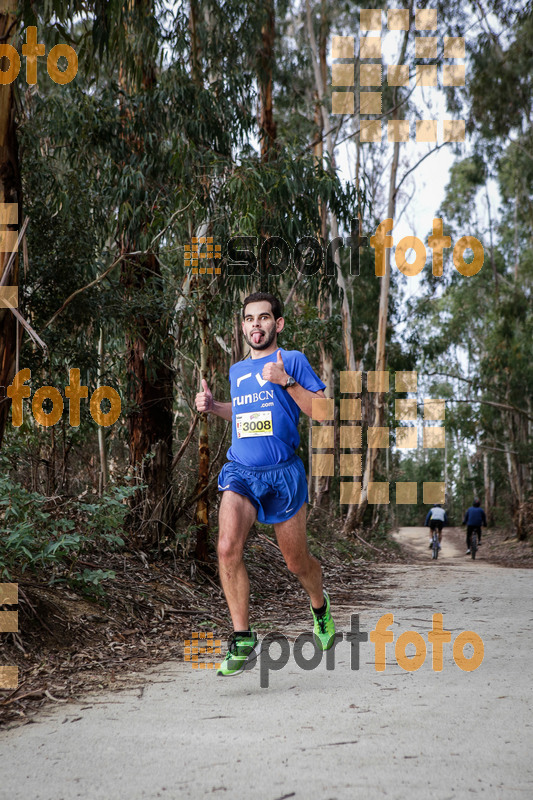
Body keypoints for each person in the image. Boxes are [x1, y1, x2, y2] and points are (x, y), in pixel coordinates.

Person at [194, 291, 335, 676]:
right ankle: (243, 639)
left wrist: (286, 380)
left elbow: (324, 412)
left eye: (264, 317)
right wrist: (214, 407)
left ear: (278, 323)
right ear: (243, 326)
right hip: (242, 472)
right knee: (226, 547)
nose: (256, 324)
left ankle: (319, 608)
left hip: (284, 473)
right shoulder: (237, 371)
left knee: (296, 562)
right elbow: (244, 415)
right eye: (249, 319)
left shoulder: (292, 361)